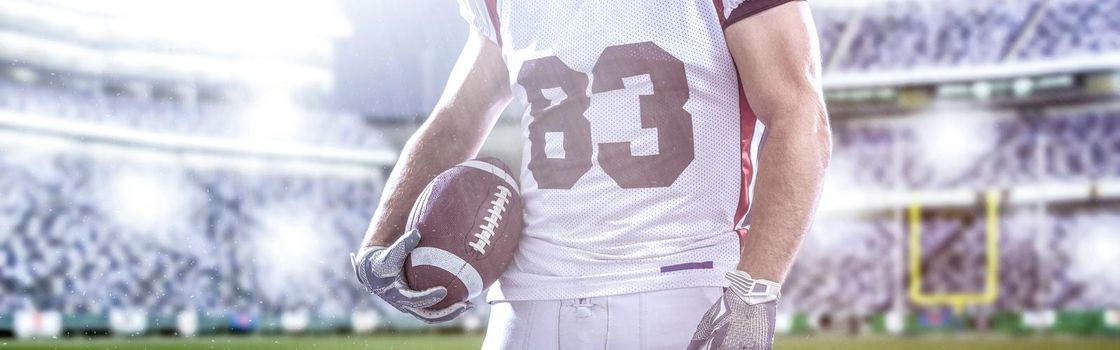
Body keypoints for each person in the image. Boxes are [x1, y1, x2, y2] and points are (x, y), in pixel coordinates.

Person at [352, 0, 831, 348]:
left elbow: (799, 115)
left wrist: (756, 290)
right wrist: (378, 245)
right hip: (528, 298)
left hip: (677, 283)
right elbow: (455, 121)